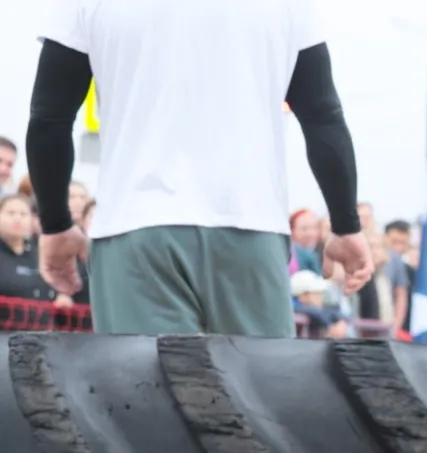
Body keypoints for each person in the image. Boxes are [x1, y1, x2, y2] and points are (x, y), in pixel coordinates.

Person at [25, 0, 372, 337]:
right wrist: (346, 225)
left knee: (140, 390)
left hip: (135, 227)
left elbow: (49, 121)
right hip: (251, 225)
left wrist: (56, 225)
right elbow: (323, 117)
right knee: (258, 390)